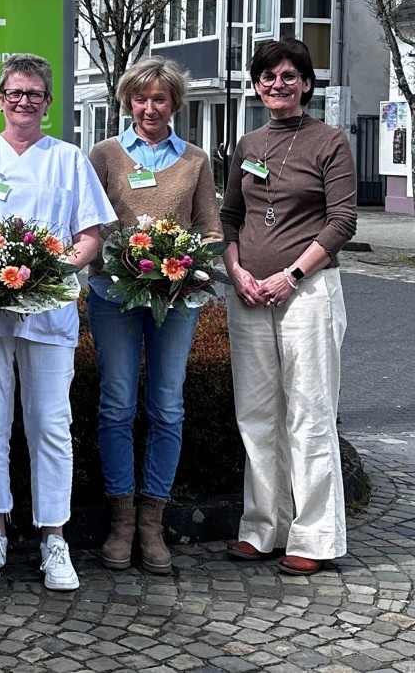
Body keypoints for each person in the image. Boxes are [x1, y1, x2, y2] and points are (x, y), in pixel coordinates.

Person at [0, 53, 114, 593]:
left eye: (35, 95)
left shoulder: (68, 160)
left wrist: (48, 271)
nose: (24, 102)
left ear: (47, 103)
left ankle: (53, 536)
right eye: (14, 93)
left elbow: (91, 234)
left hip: (47, 311)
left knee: (49, 424)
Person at [220, 38, 356, 576]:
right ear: (256, 84)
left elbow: (342, 221)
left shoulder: (329, 141)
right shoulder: (248, 143)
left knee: (309, 414)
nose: (278, 84)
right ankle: (262, 527)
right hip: (250, 293)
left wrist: (292, 274)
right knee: (256, 415)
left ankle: (316, 536)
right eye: (268, 76)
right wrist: (236, 271)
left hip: (308, 292)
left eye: (289, 76)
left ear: (305, 83)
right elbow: (229, 217)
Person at [86, 56, 221, 575]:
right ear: (127, 102)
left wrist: (185, 267)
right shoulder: (103, 155)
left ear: (174, 104)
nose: (148, 108)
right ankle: (121, 519)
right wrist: (118, 260)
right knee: (117, 404)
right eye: (139, 99)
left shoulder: (195, 160)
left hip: (177, 300)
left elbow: (209, 230)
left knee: (167, 406)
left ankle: (152, 522)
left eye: (158, 99)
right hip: (113, 297)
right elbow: (90, 224)